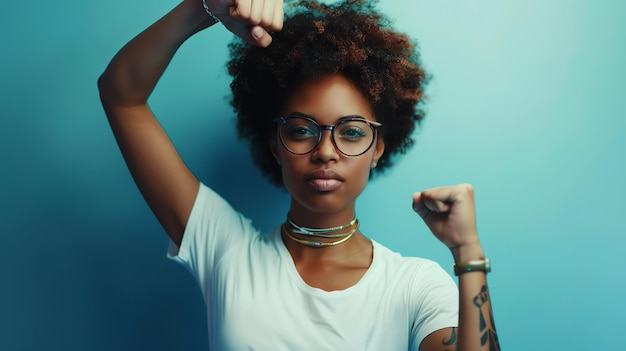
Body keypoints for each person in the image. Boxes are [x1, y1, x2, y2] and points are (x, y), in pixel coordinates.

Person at [98, 0, 500, 350]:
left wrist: (469, 254)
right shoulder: (226, 252)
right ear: (275, 143)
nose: (326, 151)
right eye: (303, 129)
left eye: (352, 131)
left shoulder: (414, 285)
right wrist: (200, 6)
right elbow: (121, 96)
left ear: (378, 148)